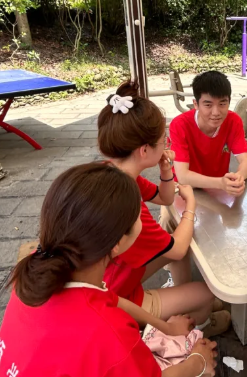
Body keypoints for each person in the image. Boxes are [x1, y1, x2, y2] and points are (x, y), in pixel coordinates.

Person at [0, 163, 218, 377]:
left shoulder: (38, 267)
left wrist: (166, 327)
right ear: (117, 242)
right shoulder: (112, 334)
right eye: (139, 214)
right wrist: (199, 361)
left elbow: (109, 299)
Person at [97, 82, 230, 338]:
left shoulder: (116, 172)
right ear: (144, 150)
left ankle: (185, 300)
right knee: (205, 291)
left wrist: (166, 170)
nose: (167, 144)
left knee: (175, 239)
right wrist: (191, 207)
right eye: (163, 140)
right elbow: (177, 248)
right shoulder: (128, 204)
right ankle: (199, 327)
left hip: (115, 271)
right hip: (113, 296)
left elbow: (164, 197)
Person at [169, 71, 247, 197]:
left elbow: (246, 162)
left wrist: (238, 178)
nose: (216, 112)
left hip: (217, 188)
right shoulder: (179, 124)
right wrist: (221, 183)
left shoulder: (233, 121)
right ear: (196, 104)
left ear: (229, 102)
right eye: (208, 105)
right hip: (185, 188)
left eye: (222, 104)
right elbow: (182, 176)